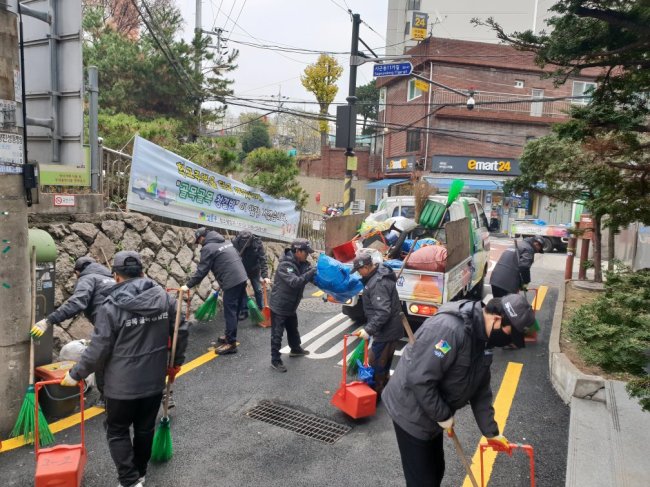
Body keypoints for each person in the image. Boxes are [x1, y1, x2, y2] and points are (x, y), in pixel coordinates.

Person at [60, 251, 189, 487]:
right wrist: (175, 362)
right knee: (144, 428)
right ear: (142, 271)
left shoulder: (110, 306)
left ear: (116, 277)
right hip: (154, 381)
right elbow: (180, 330)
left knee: (117, 430)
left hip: (121, 387)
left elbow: (98, 349)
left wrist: (75, 374)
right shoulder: (165, 298)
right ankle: (139, 473)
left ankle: (130, 481)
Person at [382, 294, 535, 487]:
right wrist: (443, 415)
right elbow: (419, 379)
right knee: (422, 481)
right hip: (410, 411)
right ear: (497, 319)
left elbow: (480, 389)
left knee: (437, 469)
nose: (509, 341)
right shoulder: (449, 330)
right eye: (510, 334)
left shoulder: (483, 337)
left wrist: (491, 432)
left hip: (433, 413)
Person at [182, 227, 248, 354]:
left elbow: (202, 271)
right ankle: (229, 336)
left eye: (199, 240)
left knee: (230, 312)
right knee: (234, 310)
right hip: (241, 277)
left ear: (202, 237)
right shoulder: (226, 242)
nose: (199, 243)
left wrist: (188, 285)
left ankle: (231, 343)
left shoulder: (208, 248)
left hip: (231, 281)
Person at [351, 253, 403, 396]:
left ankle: (375, 395)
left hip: (386, 331)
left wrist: (369, 330)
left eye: (359, 270)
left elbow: (382, 312)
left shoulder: (377, 283)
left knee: (377, 364)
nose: (359, 273)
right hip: (388, 329)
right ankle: (384, 387)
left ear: (366, 267)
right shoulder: (378, 275)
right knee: (384, 363)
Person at [30, 256, 115, 338]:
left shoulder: (87, 278)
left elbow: (77, 303)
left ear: (77, 272)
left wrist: (48, 321)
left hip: (108, 327)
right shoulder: (112, 280)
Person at [269, 238, 317, 372]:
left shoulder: (301, 263)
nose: (307, 255)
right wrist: (311, 272)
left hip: (291, 304)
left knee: (292, 328)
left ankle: (295, 349)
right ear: (297, 251)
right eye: (306, 252)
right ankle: (275, 360)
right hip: (280, 305)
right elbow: (296, 282)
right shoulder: (286, 265)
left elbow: (311, 277)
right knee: (277, 334)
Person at [232, 230, 270, 317]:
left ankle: (261, 309)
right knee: (241, 289)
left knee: (257, 289)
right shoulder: (235, 242)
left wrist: (265, 276)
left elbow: (262, 259)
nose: (244, 243)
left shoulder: (257, 243)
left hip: (254, 269)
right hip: (241, 269)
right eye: (242, 241)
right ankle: (244, 310)